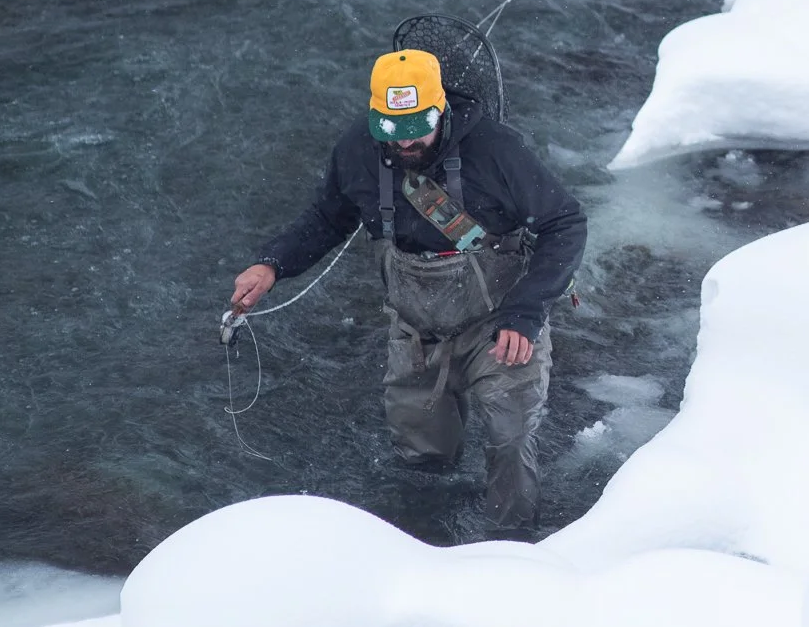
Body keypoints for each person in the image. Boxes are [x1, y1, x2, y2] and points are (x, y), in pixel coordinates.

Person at [229, 48, 587, 529]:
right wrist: (271, 264)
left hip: (499, 325)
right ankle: (420, 549)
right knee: (423, 462)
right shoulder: (358, 148)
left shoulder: (496, 150)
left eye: (417, 128)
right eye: (391, 132)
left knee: (509, 436)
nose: (404, 144)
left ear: (440, 108)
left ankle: (515, 546)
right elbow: (327, 217)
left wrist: (525, 312)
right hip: (417, 333)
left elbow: (565, 222)